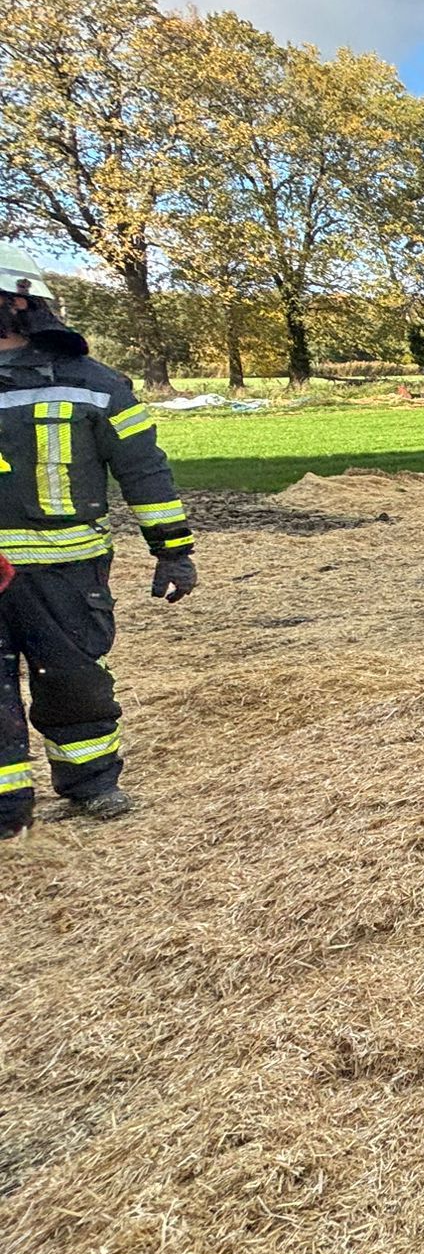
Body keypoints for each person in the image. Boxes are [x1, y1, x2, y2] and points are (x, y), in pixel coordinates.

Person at [0, 242, 196, 840]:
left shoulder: (95, 384)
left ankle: (90, 783)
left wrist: (172, 549)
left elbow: (143, 469)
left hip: (64, 570)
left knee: (74, 679)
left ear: (18, 301)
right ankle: (7, 810)